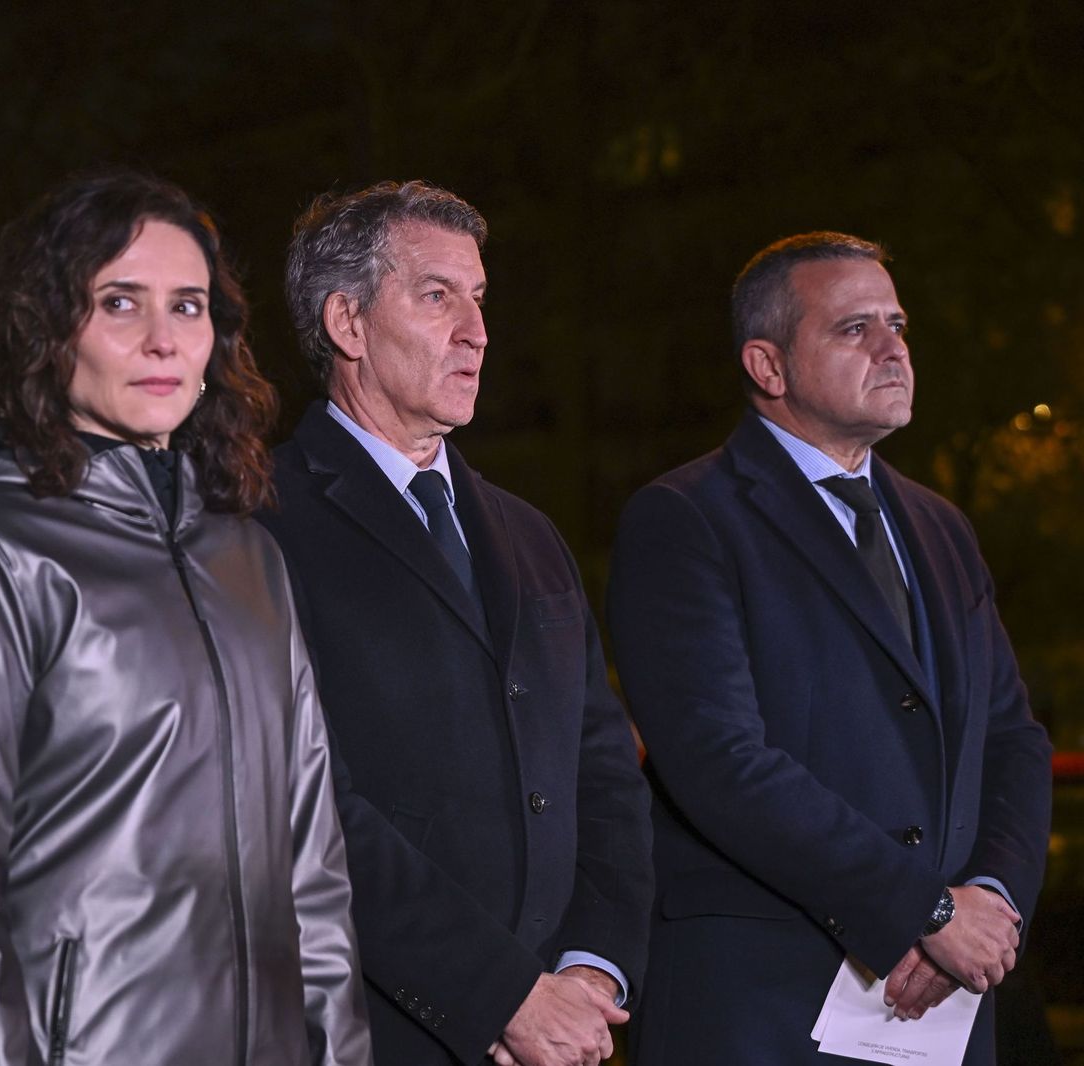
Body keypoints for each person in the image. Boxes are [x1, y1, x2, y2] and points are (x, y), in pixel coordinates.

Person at [0, 170, 371, 1066]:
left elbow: (314, 862)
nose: (162, 339)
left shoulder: (249, 557)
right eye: (119, 302)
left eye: (188, 306)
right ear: (46, 327)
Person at [606, 232, 1053, 1064]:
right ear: (768, 366)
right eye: (854, 328)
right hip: (761, 1005)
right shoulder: (684, 519)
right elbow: (717, 759)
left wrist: (989, 900)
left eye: (897, 324)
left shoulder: (942, 527)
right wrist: (925, 910)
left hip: (947, 1005)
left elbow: (1013, 740)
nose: (893, 348)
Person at [256, 180, 654, 1066]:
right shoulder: (256, 524)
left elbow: (602, 767)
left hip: (568, 1028)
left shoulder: (529, 533)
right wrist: (501, 996)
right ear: (347, 323)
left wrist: (592, 970)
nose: (477, 331)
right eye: (437, 296)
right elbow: (299, 806)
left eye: (479, 298)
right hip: (369, 1032)